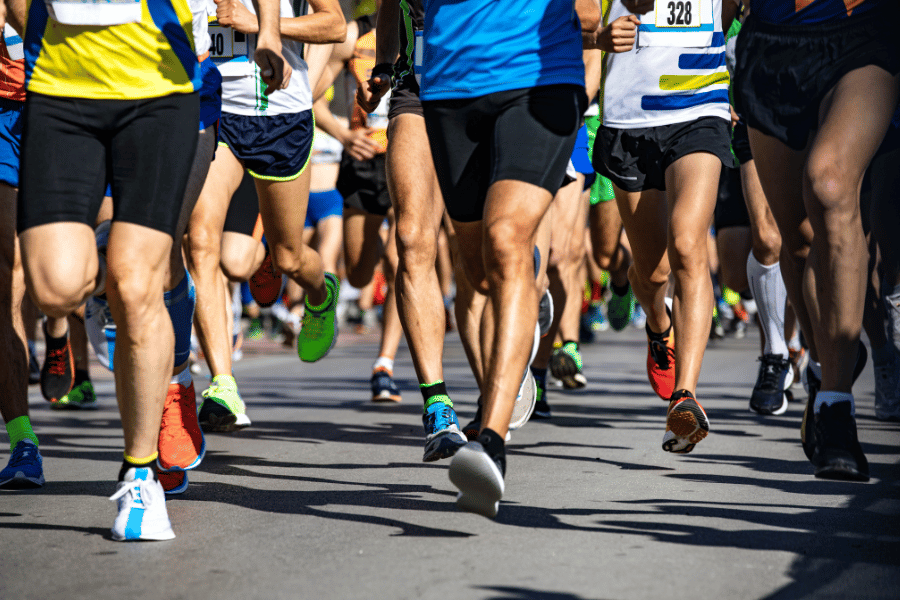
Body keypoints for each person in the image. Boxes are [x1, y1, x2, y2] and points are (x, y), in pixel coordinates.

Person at [13, 0, 289, 539]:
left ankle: (141, 474)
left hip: (159, 88)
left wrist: (271, 33)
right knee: (54, 287)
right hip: (60, 88)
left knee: (139, 280)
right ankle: (101, 267)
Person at [417, 0, 589, 517]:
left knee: (505, 240)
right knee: (479, 269)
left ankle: (490, 437)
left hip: (540, 76)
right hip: (450, 80)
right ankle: (525, 296)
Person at [734, 0, 900, 481]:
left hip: (864, 27)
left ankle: (836, 407)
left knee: (829, 187)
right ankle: (825, 361)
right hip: (773, 40)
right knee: (800, 239)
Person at [589, 0, 739, 454]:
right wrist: (599, 39)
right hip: (629, 120)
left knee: (687, 244)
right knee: (651, 272)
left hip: (700, 111)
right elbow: (574, 24)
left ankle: (685, 395)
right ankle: (659, 326)